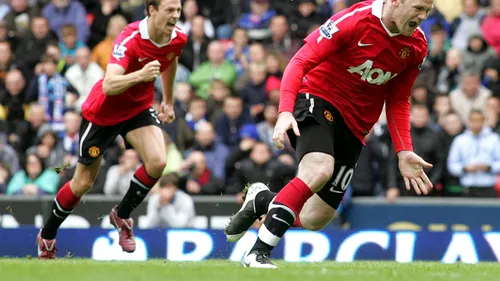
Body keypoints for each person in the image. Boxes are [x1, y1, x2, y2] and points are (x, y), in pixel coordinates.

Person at [225, 0, 435, 268]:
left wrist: (404, 150)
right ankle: (257, 252)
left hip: (356, 126)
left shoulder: (416, 46)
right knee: (319, 169)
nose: (423, 16)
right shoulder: (354, 21)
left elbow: (398, 99)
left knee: (314, 218)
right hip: (318, 98)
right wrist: (285, 111)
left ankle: (262, 199)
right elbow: (299, 61)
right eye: (418, 8)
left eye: (427, 11)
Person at [36, 0, 187, 259]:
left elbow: (170, 60)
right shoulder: (129, 39)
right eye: (169, 10)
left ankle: (123, 215)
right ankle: (47, 235)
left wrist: (168, 101)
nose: (175, 16)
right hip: (103, 114)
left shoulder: (178, 38)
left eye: (178, 10)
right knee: (83, 182)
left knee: (158, 162)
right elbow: (109, 85)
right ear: (151, 10)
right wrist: (140, 75)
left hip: (138, 109)